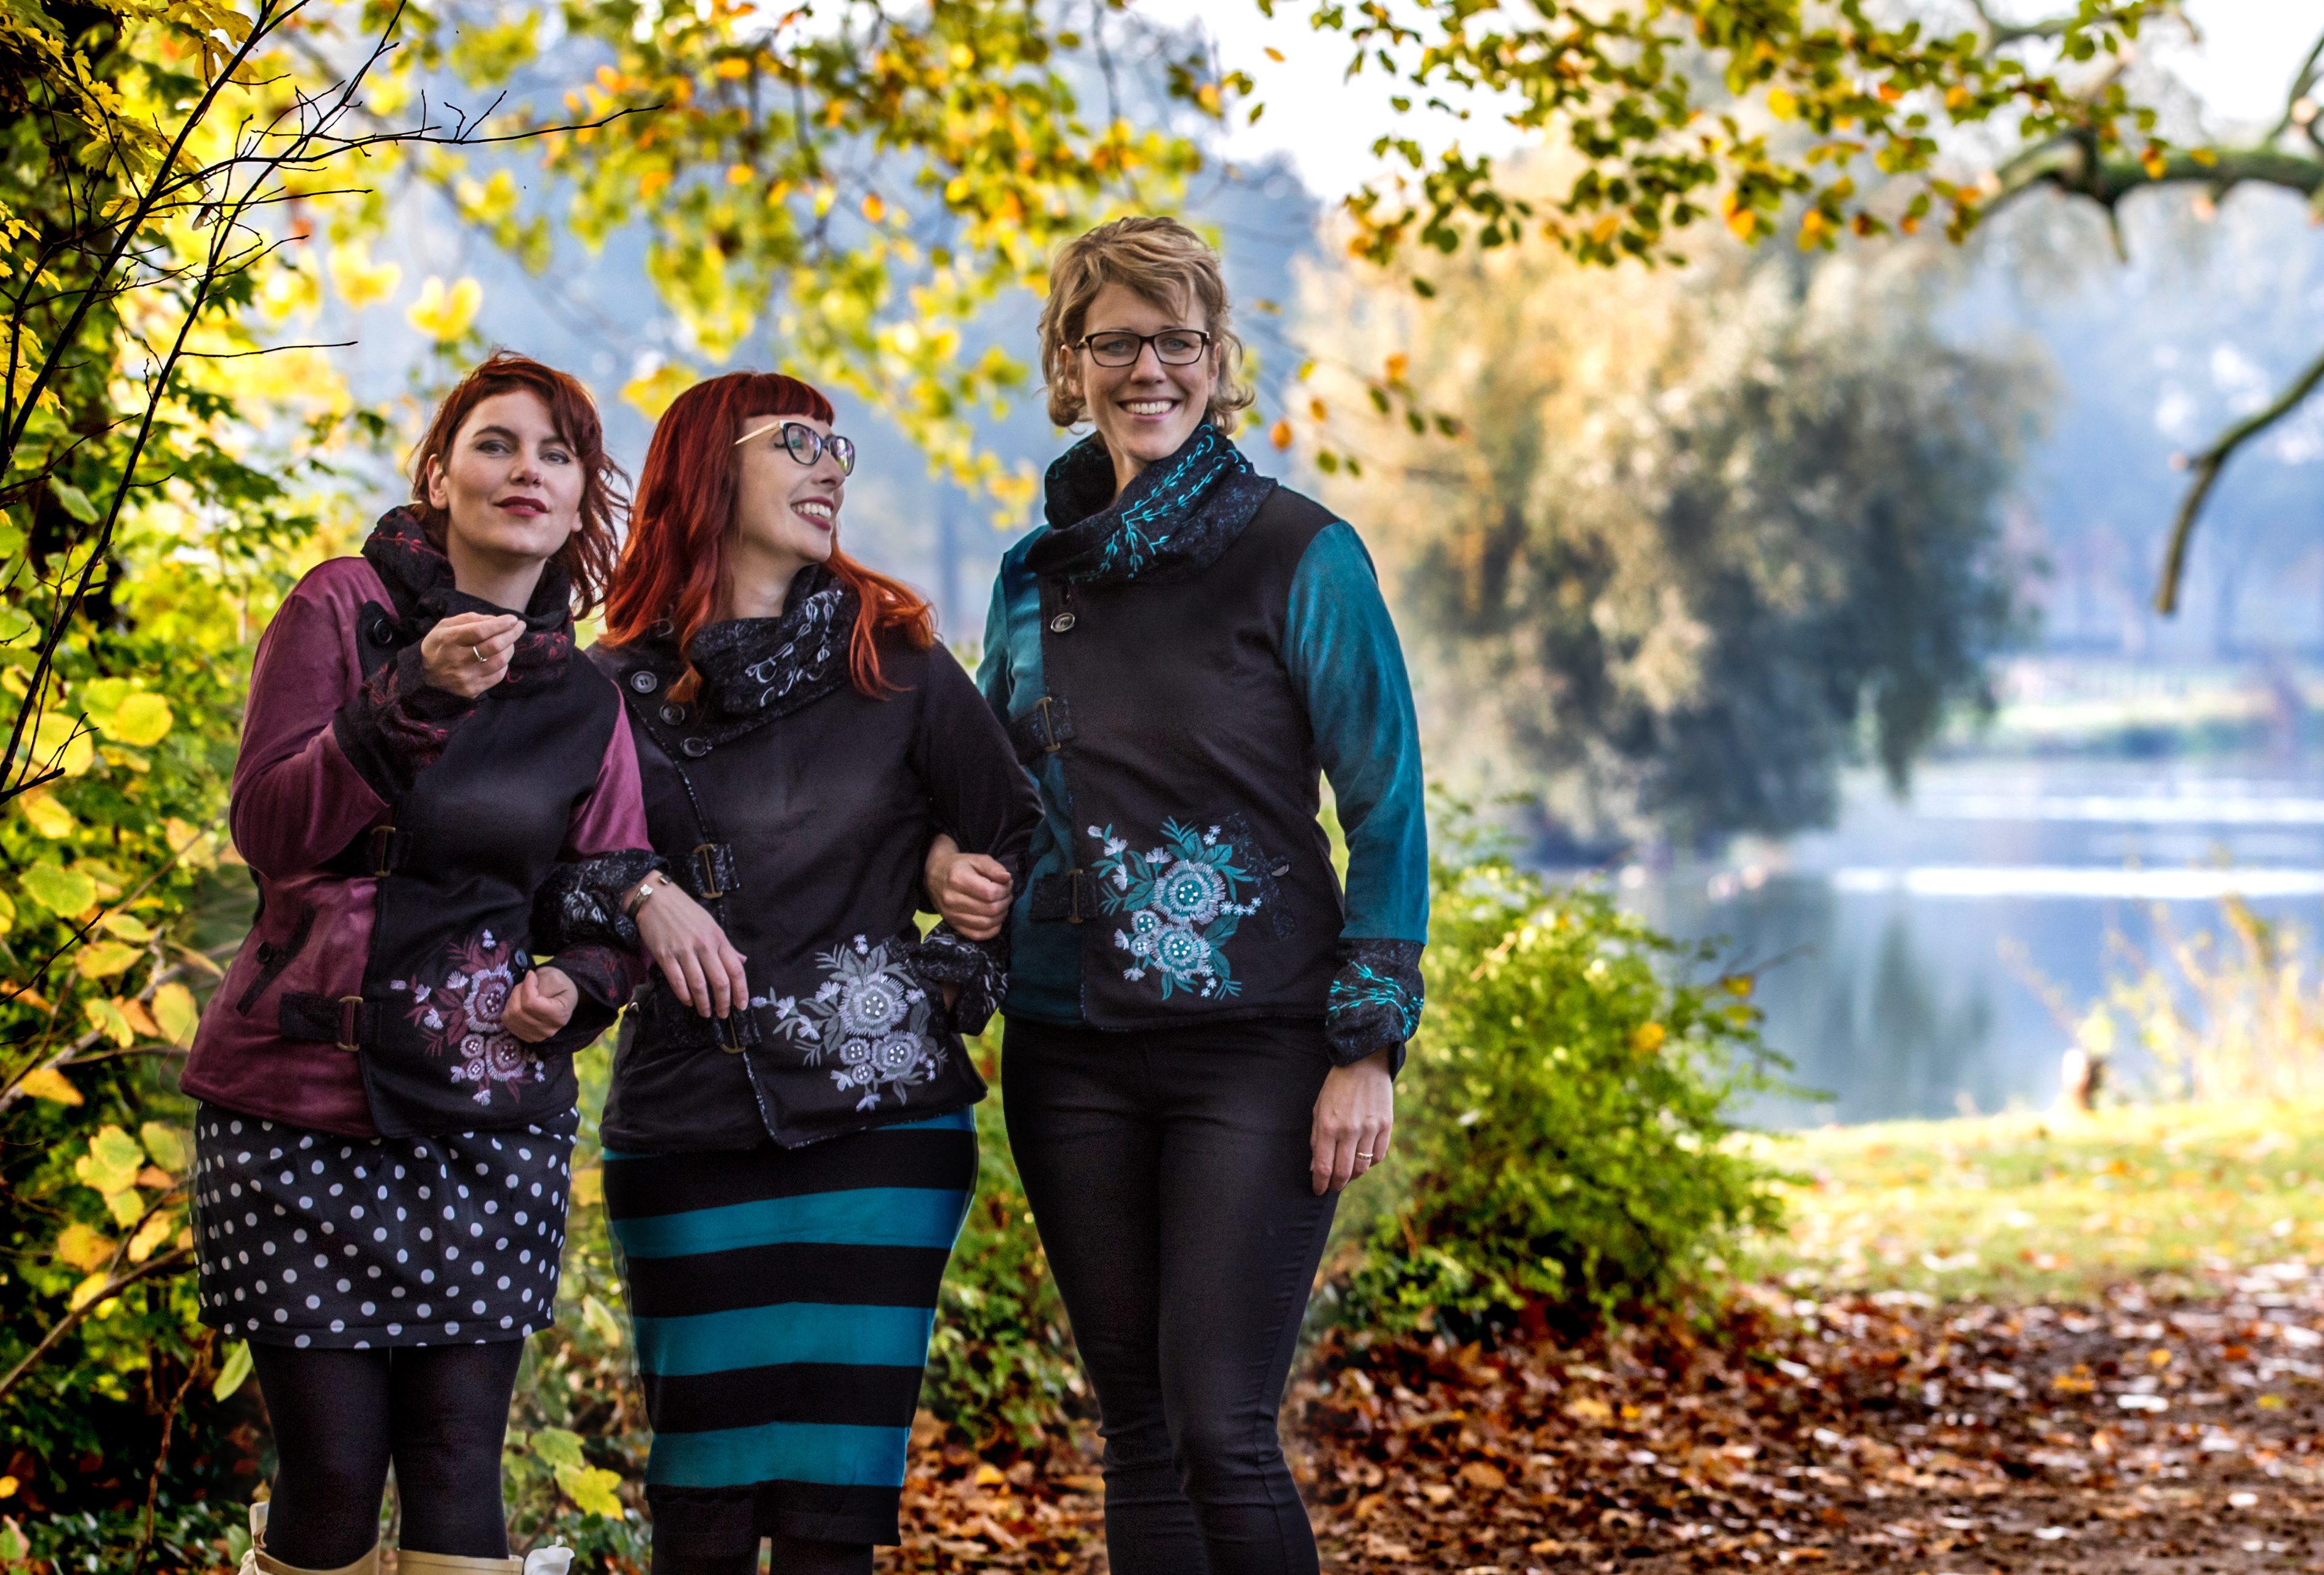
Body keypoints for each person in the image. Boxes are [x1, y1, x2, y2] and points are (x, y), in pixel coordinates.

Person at [183, 352, 715, 1575]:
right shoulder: (343, 608)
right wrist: (410, 692)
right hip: (295, 1106)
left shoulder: (583, 698)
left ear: (579, 505)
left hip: (487, 1119)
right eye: (496, 443)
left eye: (557, 454)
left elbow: (605, 889)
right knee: (329, 1474)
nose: (527, 470)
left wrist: (577, 986)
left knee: (455, 1461)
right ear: (439, 475)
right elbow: (271, 831)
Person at [964, 215, 1427, 1575]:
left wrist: (1368, 1045)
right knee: (1137, 1431)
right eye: (1115, 342)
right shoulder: (1030, 578)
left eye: (1177, 341)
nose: (1147, 370)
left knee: (1220, 1425)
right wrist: (946, 865)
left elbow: (1387, 806)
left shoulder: (1302, 553)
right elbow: (991, 791)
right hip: (1068, 1048)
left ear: (1218, 360)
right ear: (1069, 362)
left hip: (1258, 1045)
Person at [586, 372, 1039, 1575]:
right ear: (707, 466)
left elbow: (1014, 825)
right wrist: (639, 889)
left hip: (881, 1129)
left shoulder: (896, 662)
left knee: (833, 1520)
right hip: (686, 1122)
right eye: (796, 440)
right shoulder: (609, 688)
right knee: (699, 1513)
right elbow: (542, 866)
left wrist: (954, 956)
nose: (830, 464)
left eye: (840, 447)